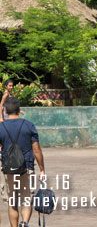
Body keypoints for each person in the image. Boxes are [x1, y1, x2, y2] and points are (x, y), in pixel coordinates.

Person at [0, 97, 45, 227]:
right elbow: (36, 150)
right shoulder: (29, 125)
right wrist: (42, 169)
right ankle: (24, 223)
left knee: (12, 202)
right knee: (26, 200)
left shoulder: (1, 127)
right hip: (27, 168)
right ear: (19, 110)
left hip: (7, 169)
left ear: (5, 110)